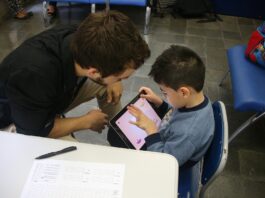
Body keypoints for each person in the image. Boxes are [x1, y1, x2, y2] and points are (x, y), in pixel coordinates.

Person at [0, 11, 150, 142]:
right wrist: (86, 122)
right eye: (121, 78)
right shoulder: (33, 74)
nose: (121, 82)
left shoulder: (85, 36)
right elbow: (34, 132)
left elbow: (105, 73)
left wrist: (112, 81)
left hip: (45, 98)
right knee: (72, 155)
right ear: (93, 72)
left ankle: (124, 135)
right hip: (15, 121)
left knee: (106, 86)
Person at [127, 45, 214, 196]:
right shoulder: (196, 100)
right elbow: (177, 113)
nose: (164, 95)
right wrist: (160, 103)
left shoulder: (188, 133)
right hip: (172, 144)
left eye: (165, 92)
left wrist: (151, 129)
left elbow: (164, 162)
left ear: (183, 92)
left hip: (169, 163)